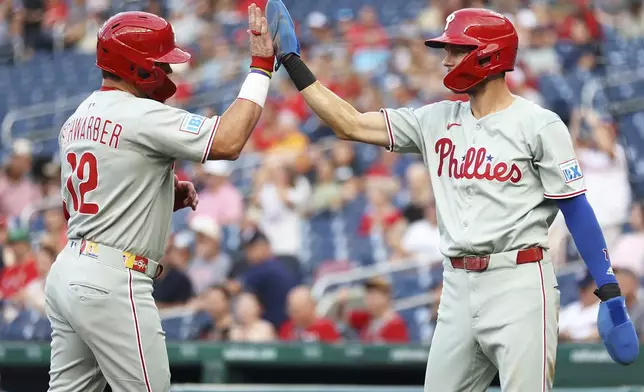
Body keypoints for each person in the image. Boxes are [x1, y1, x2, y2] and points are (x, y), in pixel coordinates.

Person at [266, 3, 639, 391]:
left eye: (456, 50)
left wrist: (608, 290)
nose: (446, 60)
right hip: (457, 286)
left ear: (488, 54)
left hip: (520, 281)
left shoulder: (539, 124)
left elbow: (575, 207)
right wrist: (292, 61)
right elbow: (350, 124)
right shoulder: (436, 119)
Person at [45, 6, 275, 392]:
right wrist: (261, 67)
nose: (168, 72)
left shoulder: (76, 119)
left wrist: (160, 196)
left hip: (69, 270)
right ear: (135, 65)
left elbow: (82, 207)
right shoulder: (141, 113)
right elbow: (228, 141)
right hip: (111, 279)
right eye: (161, 63)